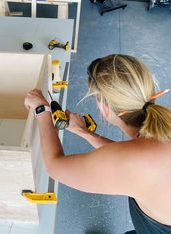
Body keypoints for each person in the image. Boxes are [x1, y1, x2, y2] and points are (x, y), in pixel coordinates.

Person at [24, 54, 171, 234]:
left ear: (104, 108)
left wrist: (42, 110)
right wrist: (84, 132)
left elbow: (55, 166)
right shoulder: (163, 128)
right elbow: (130, 156)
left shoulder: (134, 162)